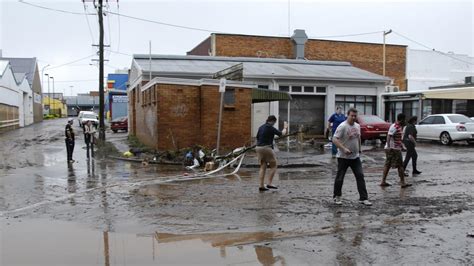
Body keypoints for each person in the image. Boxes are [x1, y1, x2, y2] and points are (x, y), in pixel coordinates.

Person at [332, 108, 372, 206]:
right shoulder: (342, 126)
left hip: (355, 157)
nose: (353, 117)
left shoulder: (357, 126)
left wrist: (359, 148)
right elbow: (334, 139)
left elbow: (358, 137)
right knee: (340, 177)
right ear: (348, 115)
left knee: (360, 176)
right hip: (343, 157)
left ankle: (363, 198)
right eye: (352, 116)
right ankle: (337, 196)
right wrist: (344, 149)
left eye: (355, 116)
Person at [255, 115, 287, 192]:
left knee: (263, 166)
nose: (274, 124)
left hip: (258, 148)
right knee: (274, 165)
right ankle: (269, 183)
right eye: (274, 122)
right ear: (272, 121)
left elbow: (258, 137)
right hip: (266, 148)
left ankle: (261, 185)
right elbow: (282, 134)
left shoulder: (261, 127)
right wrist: (285, 127)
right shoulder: (270, 127)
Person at [381, 113, 412, 188]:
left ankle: (383, 181)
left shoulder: (399, 127)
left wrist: (402, 146)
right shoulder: (395, 126)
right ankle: (402, 182)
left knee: (388, 165)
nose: (405, 121)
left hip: (395, 148)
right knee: (400, 166)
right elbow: (389, 136)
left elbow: (397, 139)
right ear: (401, 119)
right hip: (393, 149)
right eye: (404, 119)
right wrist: (389, 147)